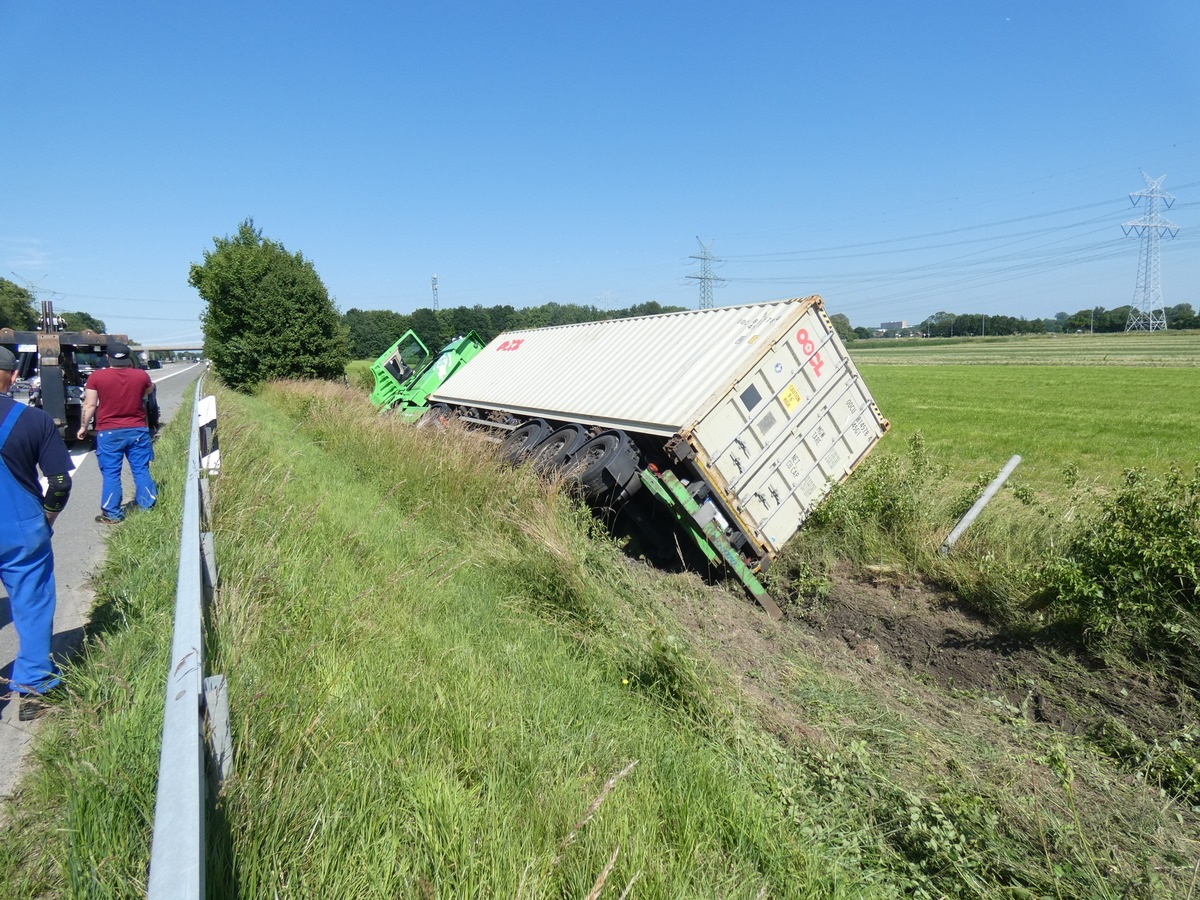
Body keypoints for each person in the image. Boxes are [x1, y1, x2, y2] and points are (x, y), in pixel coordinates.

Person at [0, 346, 73, 721]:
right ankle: (32, 687)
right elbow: (60, 482)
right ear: (12, 377)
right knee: (31, 605)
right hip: (21, 530)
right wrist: (47, 519)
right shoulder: (34, 421)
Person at [77, 341, 157, 524]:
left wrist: (83, 426)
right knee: (141, 470)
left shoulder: (97, 377)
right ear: (129, 357)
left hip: (109, 432)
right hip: (137, 430)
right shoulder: (141, 376)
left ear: (108, 357)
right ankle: (147, 508)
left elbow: (89, 404)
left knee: (112, 473)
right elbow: (149, 389)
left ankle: (112, 514)